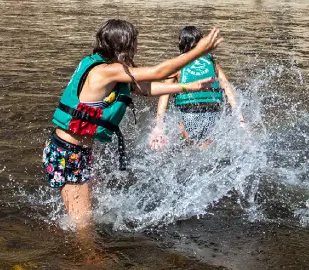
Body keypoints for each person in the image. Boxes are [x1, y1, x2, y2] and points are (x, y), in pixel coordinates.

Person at [47, 20, 224, 232]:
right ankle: (90, 260)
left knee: (86, 216)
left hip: (74, 151)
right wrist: (199, 50)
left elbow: (147, 88)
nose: (136, 47)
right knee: (82, 225)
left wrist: (186, 86)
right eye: (135, 42)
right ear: (125, 44)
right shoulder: (106, 71)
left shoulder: (110, 71)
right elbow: (159, 72)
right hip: (68, 154)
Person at [148, 26, 241, 149]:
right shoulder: (212, 63)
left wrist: (158, 126)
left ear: (181, 43)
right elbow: (227, 87)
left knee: (190, 149)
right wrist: (240, 118)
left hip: (188, 114)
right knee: (205, 149)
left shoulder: (176, 66)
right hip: (212, 114)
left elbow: (164, 95)